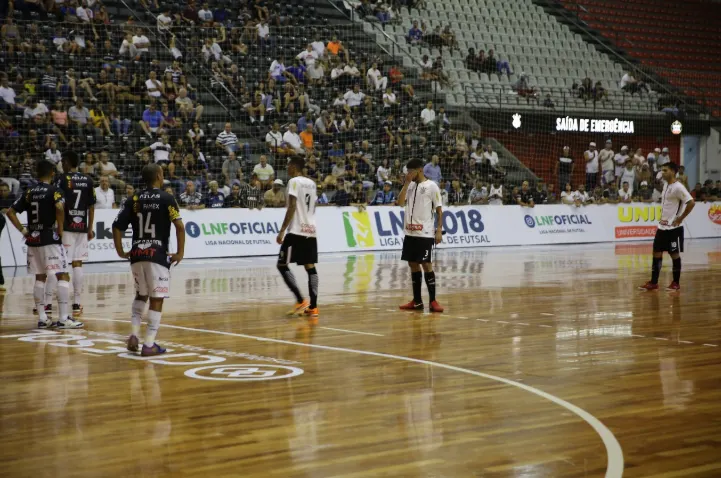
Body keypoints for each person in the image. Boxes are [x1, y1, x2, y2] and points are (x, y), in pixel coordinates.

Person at [112, 163, 185, 356]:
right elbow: (179, 227)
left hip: (137, 253)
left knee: (140, 295)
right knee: (157, 298)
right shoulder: (167, 198)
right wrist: (180, 253)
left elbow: (116, 226)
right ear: (159, 176)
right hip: (157, 253)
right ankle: (149, 344)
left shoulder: (133, 199)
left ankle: (134, 335)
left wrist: (121, 251)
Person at [6, 160, 84, 329]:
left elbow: (10, 212)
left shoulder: (29, 192)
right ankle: (63, 318)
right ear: (52, 174)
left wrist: (23, 231)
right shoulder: (55, 190)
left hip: (33, 238)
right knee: (62, 275)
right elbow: (59, 207)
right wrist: (61, 229)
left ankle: (42, 318)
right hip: (50, 237)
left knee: (40, 277)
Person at [639, 162, 695, 292]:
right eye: (662, 170)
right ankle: (654, 283)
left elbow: (691, 202)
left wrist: (680, 219)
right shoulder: (666, 185)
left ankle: (676, 283)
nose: (662, 173)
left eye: (665, 170)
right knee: (656, 253)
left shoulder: (678, 187)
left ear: (673, 172)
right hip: (662, 227)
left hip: (673, 229)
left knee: (674, 254)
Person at [275, 156, 320, 319]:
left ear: (294, 166)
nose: (287, 168)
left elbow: (293, 206)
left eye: (288, 165)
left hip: (296, 230)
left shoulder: (294, 181)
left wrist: (282, 231)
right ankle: (313, 307)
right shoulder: (312, 183)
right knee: (310, 267)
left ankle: (301, 300)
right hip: (311, 230)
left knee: (281, 264)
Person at [397, 158, 444, 313]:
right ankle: (417, 301)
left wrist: (438, 230)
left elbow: (439, 209)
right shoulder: (409, 186)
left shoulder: (432, 186)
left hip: (425, 233)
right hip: (410, 232)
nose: (409, 175)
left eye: (411, 172)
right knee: (412, 264)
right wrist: (405, 184)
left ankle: (433, 301)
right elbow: (400, 203)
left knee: (426, 265)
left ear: (420, 170)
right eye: (408, 172)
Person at [56, 151, 96, 315]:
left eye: (62, 161)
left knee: (62, 265)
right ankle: (77, 303)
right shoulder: (88, 179)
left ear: (66, 162)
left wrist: (57, 226)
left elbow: (57, 203)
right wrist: (89, 227)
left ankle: (57, 304)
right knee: (78, 263)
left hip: (66, 226)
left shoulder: (61, 179)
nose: (61, 164)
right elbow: (91, 206)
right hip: (82, 227)